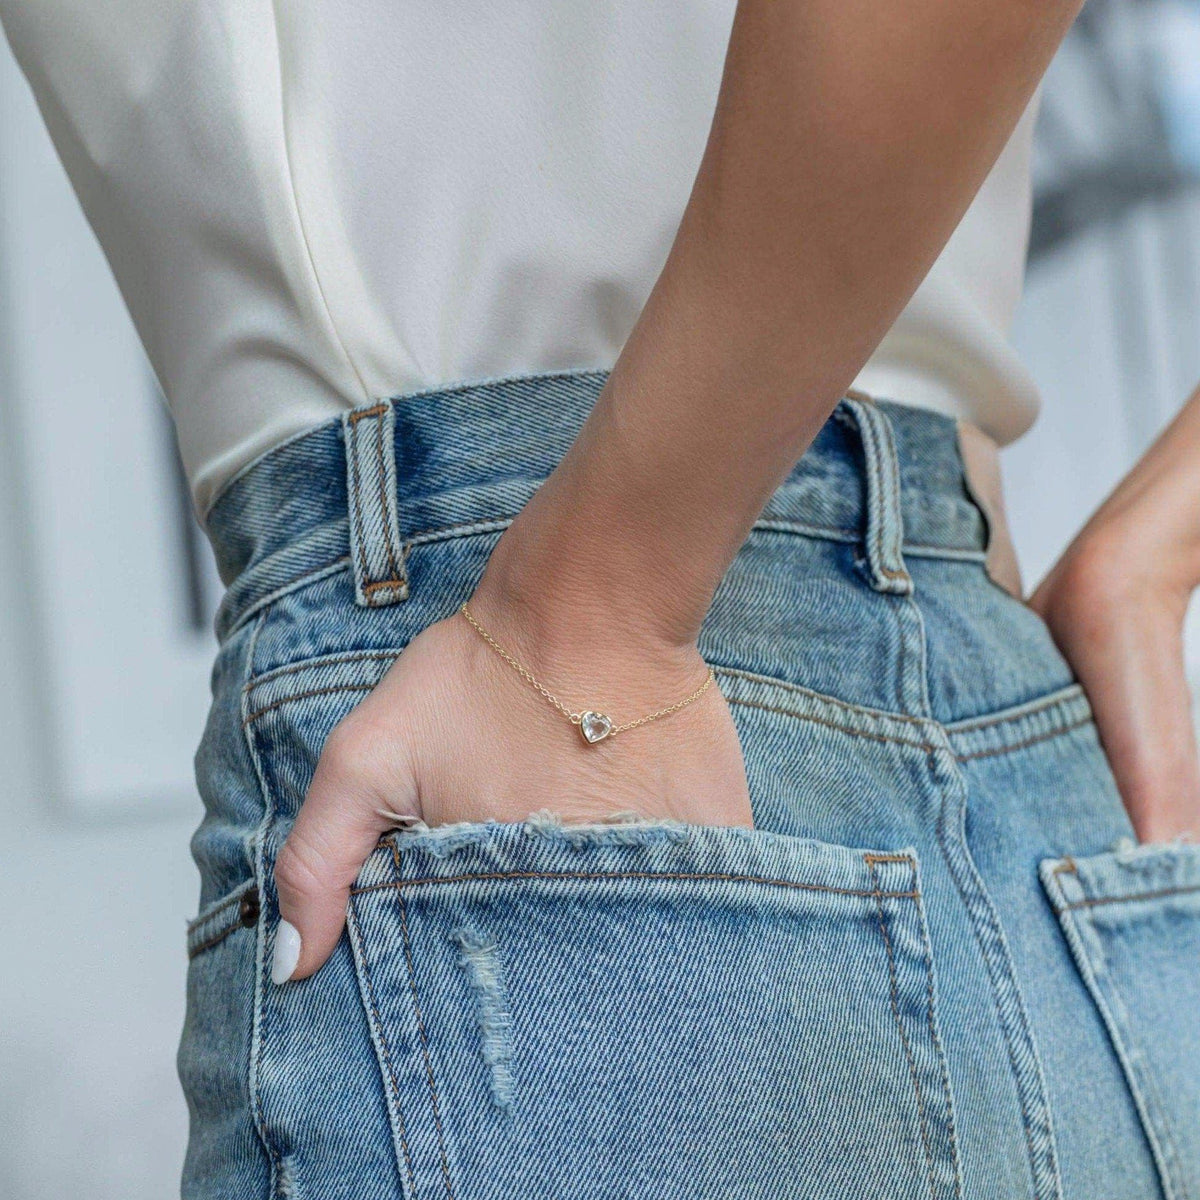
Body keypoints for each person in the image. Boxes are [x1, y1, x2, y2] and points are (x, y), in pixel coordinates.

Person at [4, 1, 1198, 1197]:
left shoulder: (580, 617)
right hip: (1029, 785)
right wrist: (1149, 556)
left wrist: (601, 601)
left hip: (540, 692)